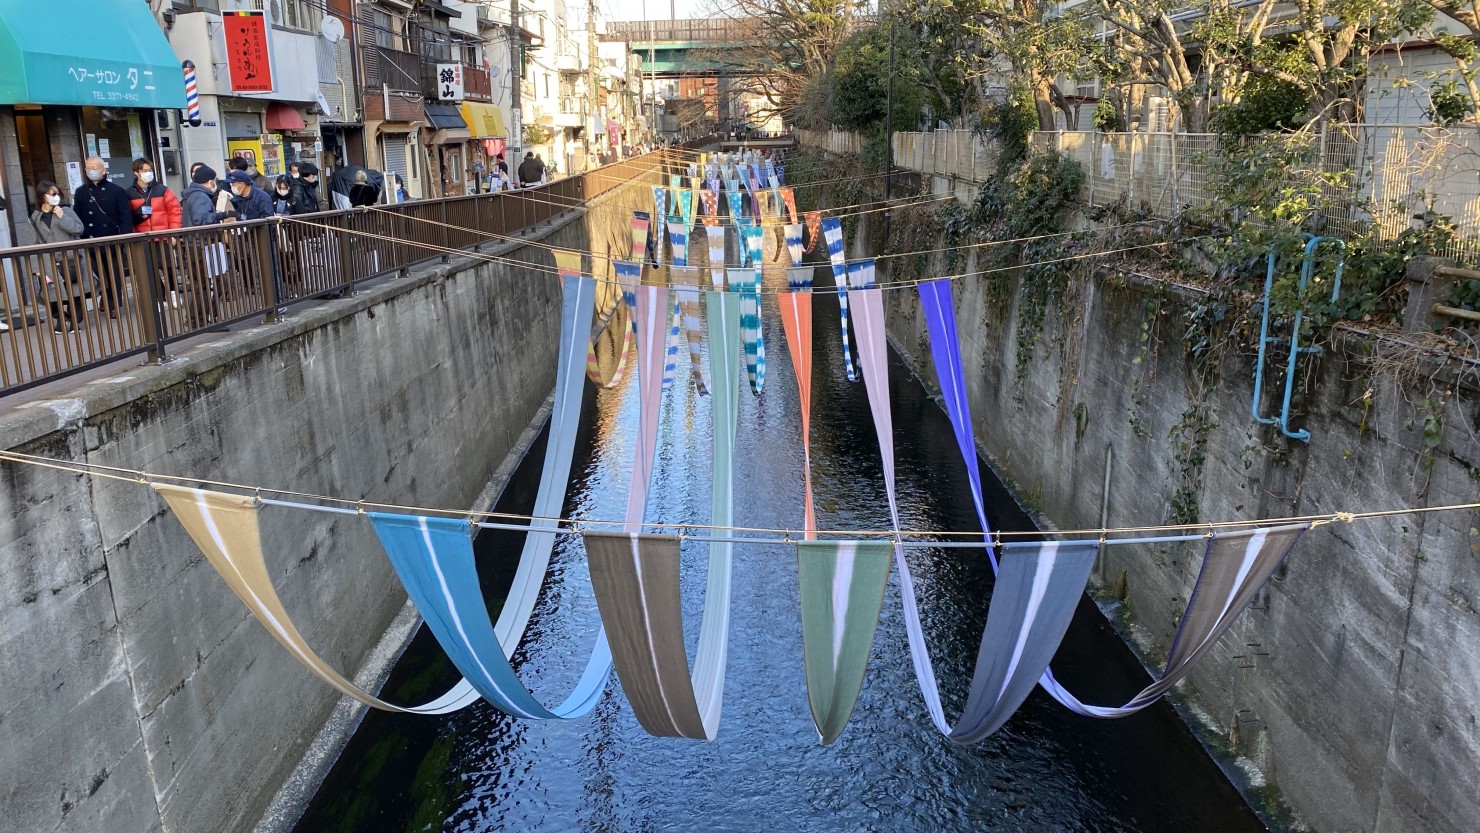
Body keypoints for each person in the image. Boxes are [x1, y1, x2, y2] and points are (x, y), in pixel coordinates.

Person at [27, 181, 93, 333]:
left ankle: (74, 320)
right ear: (43, 196)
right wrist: (37, 269)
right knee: (51, 295)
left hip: (71, 260)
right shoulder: (34, 219)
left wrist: (62, 217)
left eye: (57, 193)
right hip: (48, 263)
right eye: (53, 194)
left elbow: (78, 229)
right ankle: (61, 319)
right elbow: (31, 246)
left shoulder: (66, 211)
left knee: (74, 292)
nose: (56, 197)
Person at [73, 157, 134, 318]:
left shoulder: (117, 191)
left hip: (111, 239)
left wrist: (124, 237)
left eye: (94, 167)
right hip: (90, 240)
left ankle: (113, 303)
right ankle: (104, 297)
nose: (90, 171)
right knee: (97, 273)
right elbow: (77, 217)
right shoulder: (81, 192)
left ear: (103, 170)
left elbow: (125, 217)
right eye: (88, 168)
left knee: (113, 273)